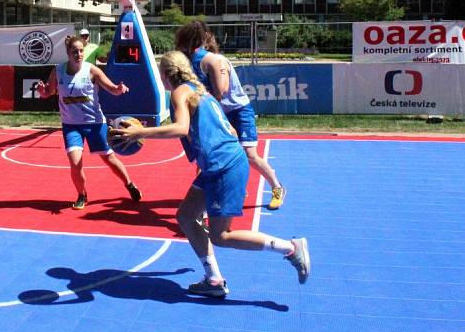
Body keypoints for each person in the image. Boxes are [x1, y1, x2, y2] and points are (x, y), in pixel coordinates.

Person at [110, 51, 309, 297]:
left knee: (221, 235)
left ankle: (290, 248)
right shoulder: (198, 89)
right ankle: (214, 279)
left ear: (163, 76)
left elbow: (182, 128)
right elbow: (229, 132)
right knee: (185, 216)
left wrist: (141, 133)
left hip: (222, 166)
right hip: (222, 165)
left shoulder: (179, 92)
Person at [176, 22, 286, 210]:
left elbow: (222, 90)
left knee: (249, 155)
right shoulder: (189, 62)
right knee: (208, 156)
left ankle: (277, 187)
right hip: (218, 112)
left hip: (237, 110)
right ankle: (208, 200)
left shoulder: (216, 60)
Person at [37, 34, 142, 210]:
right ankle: (82, 194)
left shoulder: (92, 70)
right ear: (68, 53)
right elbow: (48, 92)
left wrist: (119, 89)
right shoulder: (58, 71)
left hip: (94, 123)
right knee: (75, 162)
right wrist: (42, 91)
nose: (78, 54)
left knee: (109, 159)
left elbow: (112, 89)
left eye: (81, 51)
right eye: (74, 51)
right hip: (71, 125)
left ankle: (129, 184)